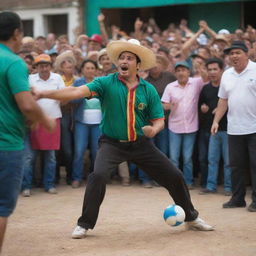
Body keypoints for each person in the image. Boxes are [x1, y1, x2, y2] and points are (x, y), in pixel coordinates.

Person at [33, 39, 214, 239]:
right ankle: (84, 224)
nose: (124, 61)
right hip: (112, 143)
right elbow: (75, 91)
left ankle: (191, 217)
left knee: (175, 175)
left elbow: (159, 120)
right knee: (98, 176)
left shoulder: (148, 90)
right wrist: (43, 93)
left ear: (138, 64)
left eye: (129, 58)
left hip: (141, 144)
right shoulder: (105, 82)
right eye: (121, 58)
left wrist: (153, 130)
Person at [0, 11, 55, 252]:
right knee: (2, 209)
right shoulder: (13, 63)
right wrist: (44, 119)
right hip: (6, 144)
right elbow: (25, 103)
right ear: (16, 33)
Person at [211, 41, 256, 212]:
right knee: (235, 165)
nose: (234, 56)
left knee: (255, 164)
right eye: (231, 54)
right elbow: (223, 101)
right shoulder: (227, 75)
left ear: (247, 53)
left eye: (237, 52)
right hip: (234, 128)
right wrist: (216, 121)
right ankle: (238, 199)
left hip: (254, 128)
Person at [21, 54, 65, 196]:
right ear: (36, 67)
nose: (44, 68)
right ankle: (26, 186)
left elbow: (64, 96)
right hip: (34, 121)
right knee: (29, 157)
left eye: (46, 65)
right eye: (41, 66)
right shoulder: (30, 79)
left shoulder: (57, 78)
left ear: (50, 67)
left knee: (50, 156)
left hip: (53, 120)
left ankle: (49, 184)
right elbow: (25, 98)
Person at [161, 61, 208, 189]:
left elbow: (206, 78)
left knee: (187, 158)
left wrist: (200, 68)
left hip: (191, 127)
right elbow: (163, 104)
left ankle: (188, 182)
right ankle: (174, 183)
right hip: (174, 127)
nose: (181, 73)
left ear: (188, 72)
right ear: (175, 73)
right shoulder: (170, 87)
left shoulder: (196, 83)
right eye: (178, 71)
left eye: (184, 70)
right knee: (174, 158)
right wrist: (169, 106)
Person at [198, 58, 231, 195]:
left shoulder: (227, 86)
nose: (212, 72)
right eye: (209, 69)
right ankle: (211, 186)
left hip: (229, 129)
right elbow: (201, 106)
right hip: (212, 130)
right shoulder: (205, 88)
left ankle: (229, 188)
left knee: (228, 161)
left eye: (215, 69)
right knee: (212, 159)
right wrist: (203, 109)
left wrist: (220, 108)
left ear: (221, 70)